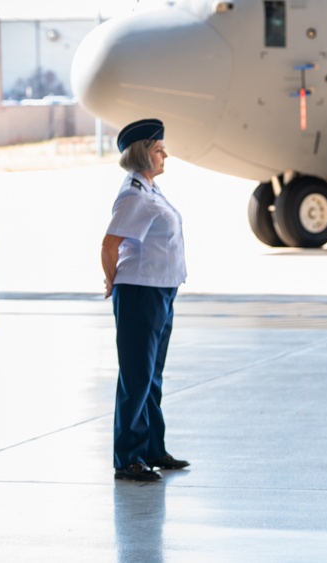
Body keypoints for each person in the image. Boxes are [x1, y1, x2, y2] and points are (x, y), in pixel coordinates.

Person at [100, 118, 190, 482]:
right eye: (157, 149)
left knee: (152, 376)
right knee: (137, 377)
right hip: (140, 291)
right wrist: (112, 281)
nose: (164, 153)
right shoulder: (133, 194)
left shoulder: (149, 188)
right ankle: (129, 458)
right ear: (142, 154)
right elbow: (109, 245)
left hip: (161, 290)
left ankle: (153, 447)